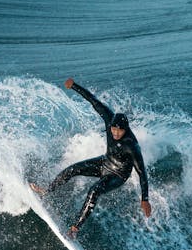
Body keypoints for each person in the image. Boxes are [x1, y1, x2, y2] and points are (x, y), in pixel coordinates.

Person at [31, 78, 152, 238]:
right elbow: (93, 100)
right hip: (105, 162)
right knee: (72, 169)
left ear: (126, 129)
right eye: (114, 129)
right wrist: (74, 86)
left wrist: (145, 198)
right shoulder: (110, 119)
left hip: (118, 175)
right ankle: (47, 191)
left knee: (94, 191)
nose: (115, 133)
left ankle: (74, 229)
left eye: (119, 131)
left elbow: (141, 172)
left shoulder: (131, 145)